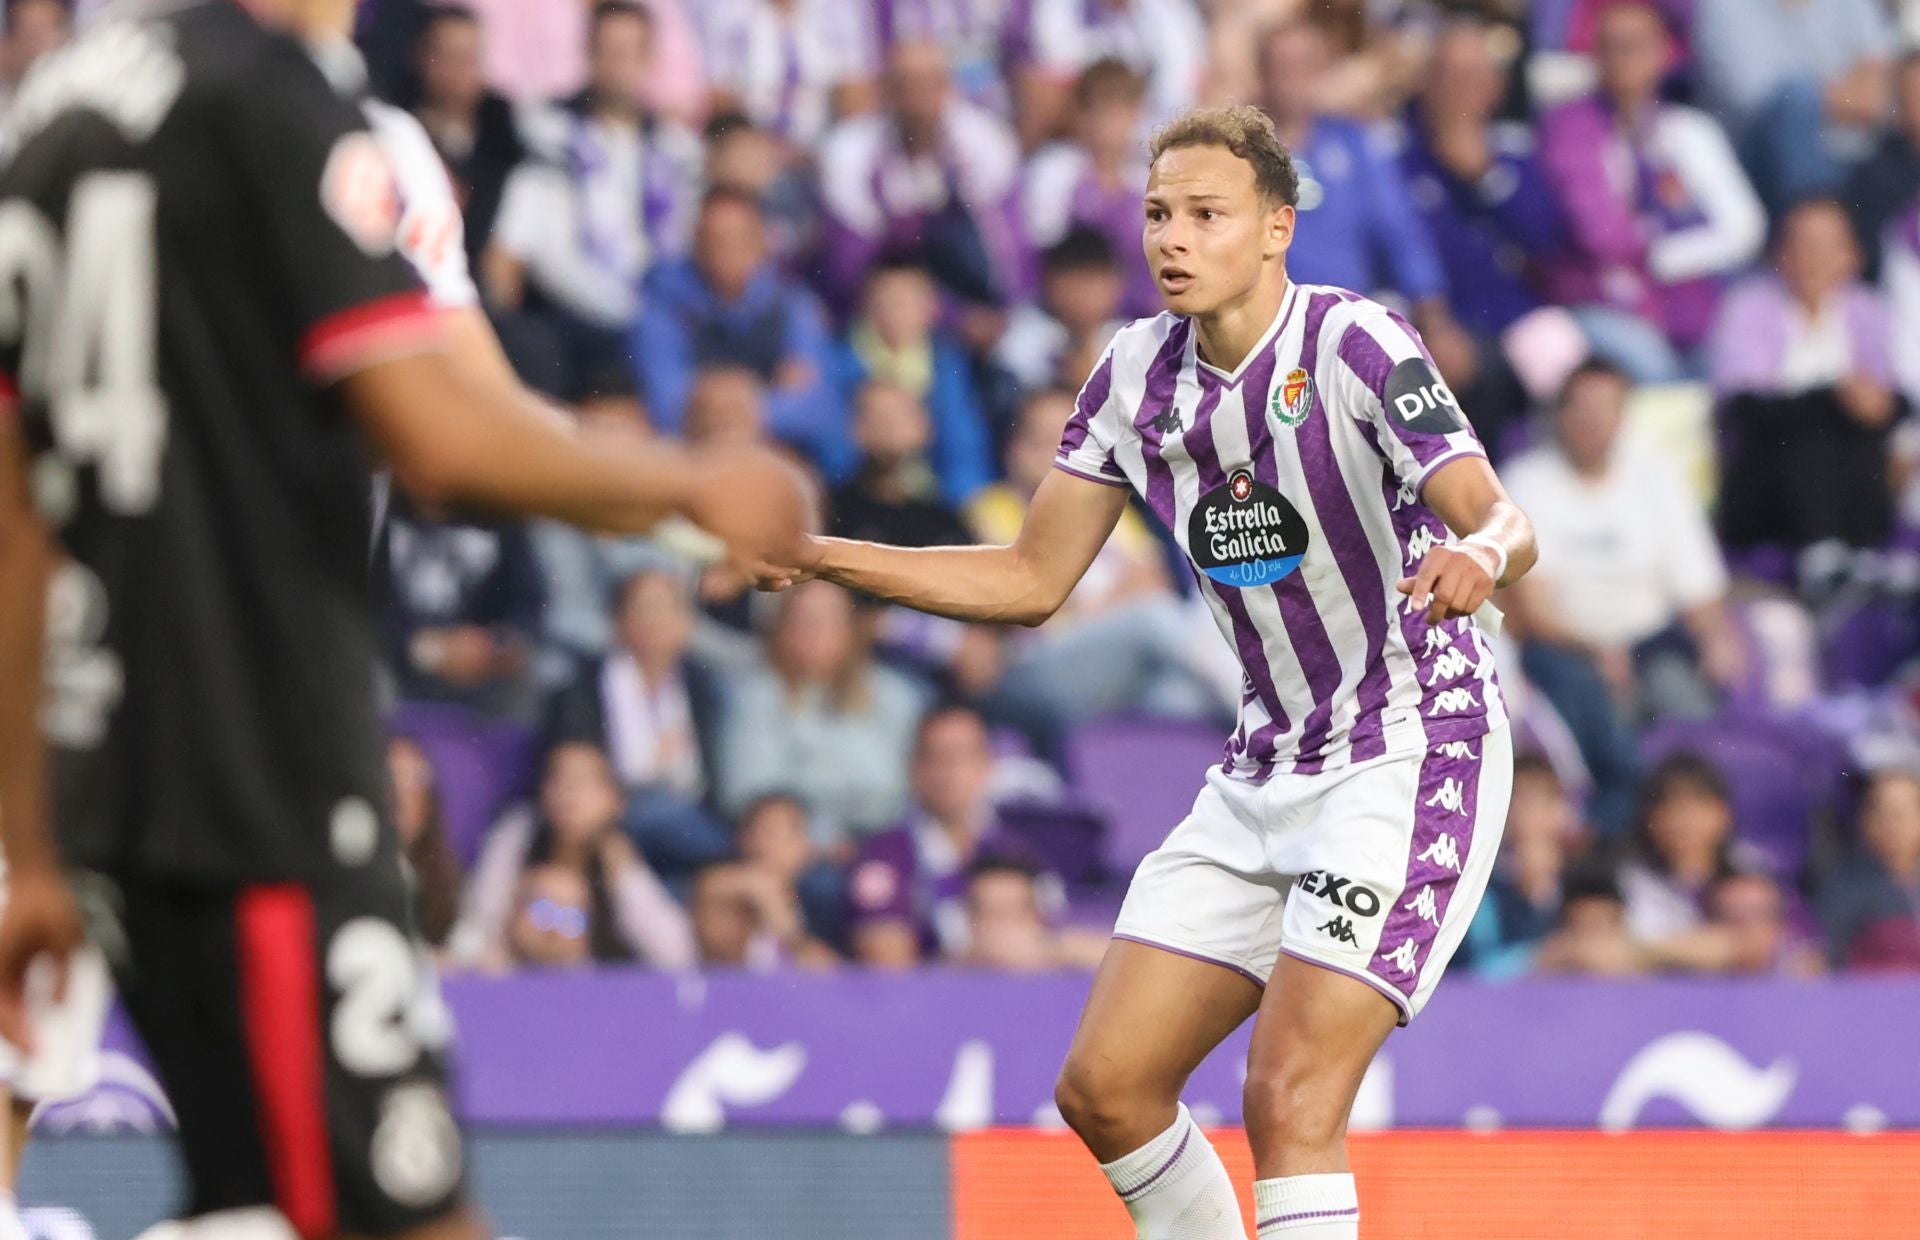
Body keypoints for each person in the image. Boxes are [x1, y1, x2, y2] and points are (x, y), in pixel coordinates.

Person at [0, 5, 809, 1240]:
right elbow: (444, 428)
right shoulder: (306, 112)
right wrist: (688, 482)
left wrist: (36, 837)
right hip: (259, 753)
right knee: (409, 1212)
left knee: (246, 1190)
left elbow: (14, 502)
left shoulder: (54, 111)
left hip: (97, 758)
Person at [759, 105, 1536, 1240]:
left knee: (1289, 1096)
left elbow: (1499, 512)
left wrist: (1475, 552)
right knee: (1108, 1086)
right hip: (1266, 763)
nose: (1173, 238)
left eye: (1206, 215)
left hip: (1411, 749)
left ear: (1276, 229)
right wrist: (826, 554)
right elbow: (1029, 580)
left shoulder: (1354, 342)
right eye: (1159, 214)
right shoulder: (1133, 374)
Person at [1502, 360, 1743, 828]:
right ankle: (1614, 827)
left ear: (1623, 417)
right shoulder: (1526, 480)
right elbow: (1532, 608)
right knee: (1605, 729)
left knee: (1692, 711)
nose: (1592, 422)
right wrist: (1597, 649)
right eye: (1581, 409)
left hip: (1652, 642)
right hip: (1565, 649)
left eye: (1605, 409)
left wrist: (1717, 636)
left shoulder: (1657, 477)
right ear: (1560, 415)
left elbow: (1699, 585)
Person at [483, 0, 702, 404]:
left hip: (661, 322)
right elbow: (506, 254)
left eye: (631, 52)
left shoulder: (679, 152)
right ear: (588, 54)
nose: (620, 64)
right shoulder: (549, 136)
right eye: (609, 51)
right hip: (573, 326)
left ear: (650, 58)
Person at [1538, 0, 1765, 383]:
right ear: (1595, 55)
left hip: (1687, 297)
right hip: (1601, 300)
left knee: (1732, 355)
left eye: (1637, 44)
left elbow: (1744, 228)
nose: (1625, 57)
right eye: (1613, 45)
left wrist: (1664, 256)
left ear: (1663, 52)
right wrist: (1659, 251)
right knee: (1654, 366)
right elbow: (1600, 236)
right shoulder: (1572, 129)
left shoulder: (1688, 129)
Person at [1712, 197, 1905, 558]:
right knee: (1812, 430)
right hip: (1767, 481)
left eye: (1828, 245)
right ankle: (1822, 552)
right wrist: (1835, 396)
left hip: (1855, 476)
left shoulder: (1868, 311)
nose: (1814, 258)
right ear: (1779, 253)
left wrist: (1871, 404)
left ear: (1853, 256)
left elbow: (1888, 399)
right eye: (1802, 244)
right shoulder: (1749, 307)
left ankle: (1865, 551)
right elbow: (1747, 408)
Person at [448, 742, 696, 972]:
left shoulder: (619, 856)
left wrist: (624, 873)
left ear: (616, 800)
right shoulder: (520, 832)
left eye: (584, 781)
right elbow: (479, 926)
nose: (569, 792)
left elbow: (676, 955)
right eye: (558, 778)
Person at [633, 186, 838, 461]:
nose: (727, 250)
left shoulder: (794, 306)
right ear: (696, 242)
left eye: (740, 238)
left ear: (761, 243)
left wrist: (719, 399)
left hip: (772, 458)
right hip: (693, 460)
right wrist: (763, 397)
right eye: (715, 239)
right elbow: (665, 404)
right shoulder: (661, 306)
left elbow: (817, 408)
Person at [716, 581, 927, 849]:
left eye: (828, 619)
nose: (814, 632)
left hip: (884, 845)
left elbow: (909, 791)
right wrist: (823, 840)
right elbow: (746, 792)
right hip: (795, 850)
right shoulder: (755, 696)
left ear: (851, 628)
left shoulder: (895, 696)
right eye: (803, 620)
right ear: (780, 627)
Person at [845, 705, 1056, 967]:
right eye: (936, 756)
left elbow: (1051, 940)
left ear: (987, 765)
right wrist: (978, 958)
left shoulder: (1020, 851)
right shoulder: (883, 857)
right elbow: (887, 970)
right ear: (914, 768)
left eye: (961, 756)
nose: (949, 771)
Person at [1693, 0, 1895, 214]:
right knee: (1796, 104)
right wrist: (1838, 94)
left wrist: (1811, 100)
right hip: (1759, 159)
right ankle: (1813, 220)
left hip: (1855, 155)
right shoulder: (1724, 6)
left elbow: (1876, 99)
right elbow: (1757, 100)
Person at [829, 257, 996, 503]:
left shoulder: (947, 364)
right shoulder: (841, 360)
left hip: (934, 496)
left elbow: (963, 443)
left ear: (931, 308)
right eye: (885, 302)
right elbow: (831, 443)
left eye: (907, 302)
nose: (895, 313)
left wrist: (963, 503)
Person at [408, 5, 524, 266]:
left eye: (468, 58)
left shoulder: (506, 144)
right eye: (447, 56)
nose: (457, 70)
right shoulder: (398, 135)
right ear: (422, 57)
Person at [1818, 767, 1920, 970]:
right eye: (1883, 813)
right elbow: (1829, 957)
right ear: (1866, 821)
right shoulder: (1843, 886)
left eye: (1902, 814)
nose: (1893, 825)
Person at [386, 736, 464, 951]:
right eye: (391, 779)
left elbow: (465, 945)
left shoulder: (444, 875)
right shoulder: (350, 873)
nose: (401, 797)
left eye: (413, 781)